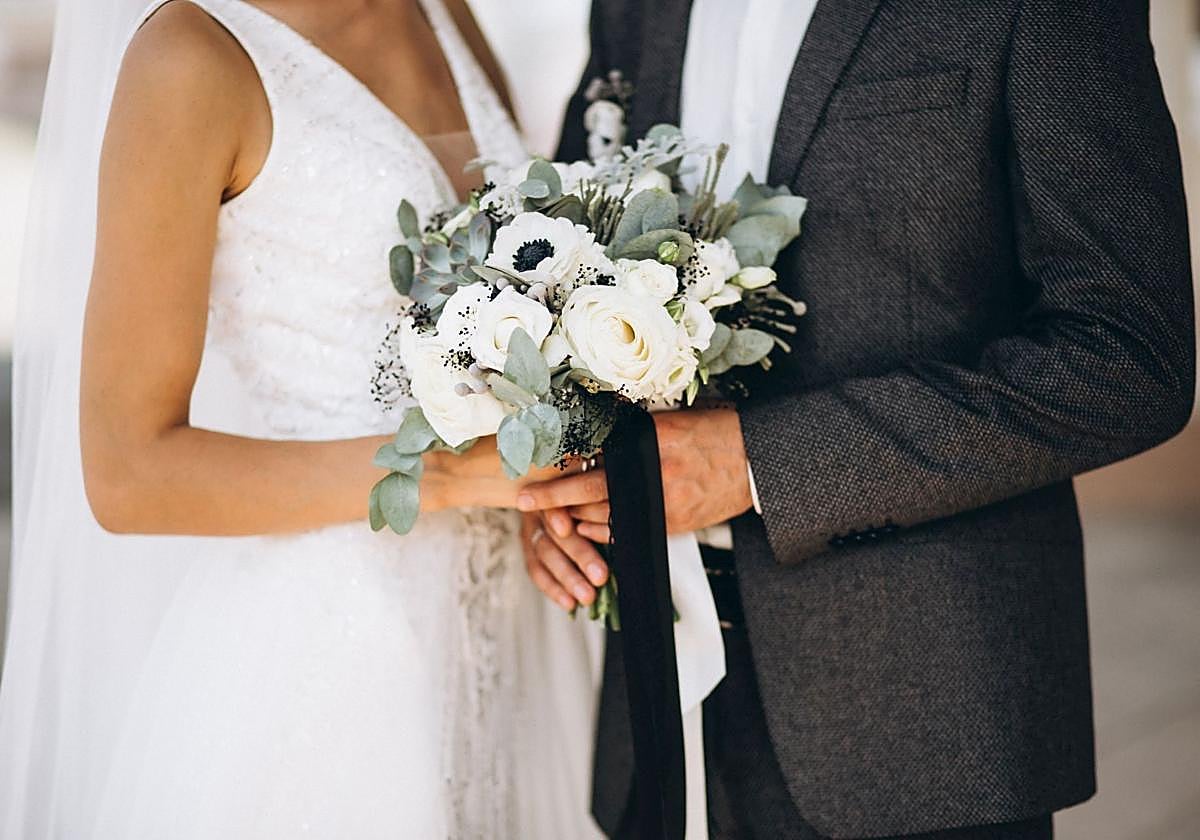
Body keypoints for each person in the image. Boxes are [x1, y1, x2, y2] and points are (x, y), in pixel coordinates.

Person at [522, 1, 1196, 838]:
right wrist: (564, 475)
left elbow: (1129, 354)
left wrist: (755, 464)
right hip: (661, 707)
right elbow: (559, 254)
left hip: (920, 713)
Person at [0, 1, 602, 836]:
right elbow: (128, 473)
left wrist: (543, 476)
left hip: (518, 632)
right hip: (333, 652)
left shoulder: (438, 9)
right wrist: (456, 474)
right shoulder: (190, 57)